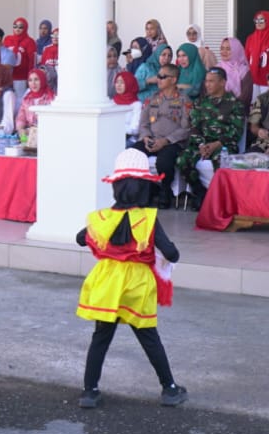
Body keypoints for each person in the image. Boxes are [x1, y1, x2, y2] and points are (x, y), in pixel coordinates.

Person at [75, 149, 187, 410]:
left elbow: (81, 239)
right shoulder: (148, 219)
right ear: (144, 187)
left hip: (107, 282)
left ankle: (89, 392)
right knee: (148, 336)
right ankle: (169, 389)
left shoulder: (102, 217)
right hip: (137, 284)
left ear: (116, 187)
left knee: (101, 337)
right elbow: (172, 253)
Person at [178, 67, 244, 208]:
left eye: (211, 81)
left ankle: (219, 198)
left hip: (223, 145)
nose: (207, 85)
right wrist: (202, 145)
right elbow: (194, 127)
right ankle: (200, 193)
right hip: (201, 144)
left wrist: (216, 144)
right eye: (206, 81)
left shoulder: (234, 104)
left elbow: (236, 131)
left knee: (221, 161)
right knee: (182, 160)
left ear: (222, 82)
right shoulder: (200, 103)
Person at [130, 64, 191, 209]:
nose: (158, 79)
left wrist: (166, 140)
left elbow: (186, 128)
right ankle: (145, 190)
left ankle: (165, 190)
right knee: (132, 154)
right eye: (158, 76)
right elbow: (143, 123)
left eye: (163, 77)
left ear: (173, 80)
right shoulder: (152, 99)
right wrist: (145, 137)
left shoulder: (184, 101)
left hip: (172, 142)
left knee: (164, 162)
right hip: (151, 139)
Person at [245, 10, 269, 97]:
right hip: (253, 79)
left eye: (261, 20)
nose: (258, 23)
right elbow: (247, 58)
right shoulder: (250, 38)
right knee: (255, 103)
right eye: (256, 20)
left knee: (267, 103)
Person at [14, 67, 55, 135]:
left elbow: (53, 121)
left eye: (36, 79)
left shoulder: (51, 98)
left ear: (42, 80)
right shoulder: (27, 99)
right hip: (31, 135)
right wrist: (22, 134)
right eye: (30, 80)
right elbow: (21, 119)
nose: (33, 83)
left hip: (47, 134)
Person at [3, 18, 38, 96]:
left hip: (21, 78)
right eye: (15, 26)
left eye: (21, 27)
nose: (17, 29)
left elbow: (32, 61)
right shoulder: (8, 39)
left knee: (20, 99)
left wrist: (30, 77)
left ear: (25, 28)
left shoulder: (30, 41)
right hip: (7, 77)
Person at [218, 37, 252, 104]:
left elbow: (246, 96)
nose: (224, 52)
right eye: (222, 48)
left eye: (228, 49)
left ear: (236, 50)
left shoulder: (244, 70)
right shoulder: (217, 68)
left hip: (238, 108)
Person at [113, 71, 144, 141]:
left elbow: (134, 129)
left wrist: (115, 128)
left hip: (128, 139)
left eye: (122, 82)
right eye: (117, 82)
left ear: (129, 84)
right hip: (112, 136)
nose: (118, 85)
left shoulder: (137, 105)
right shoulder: (112, 102)